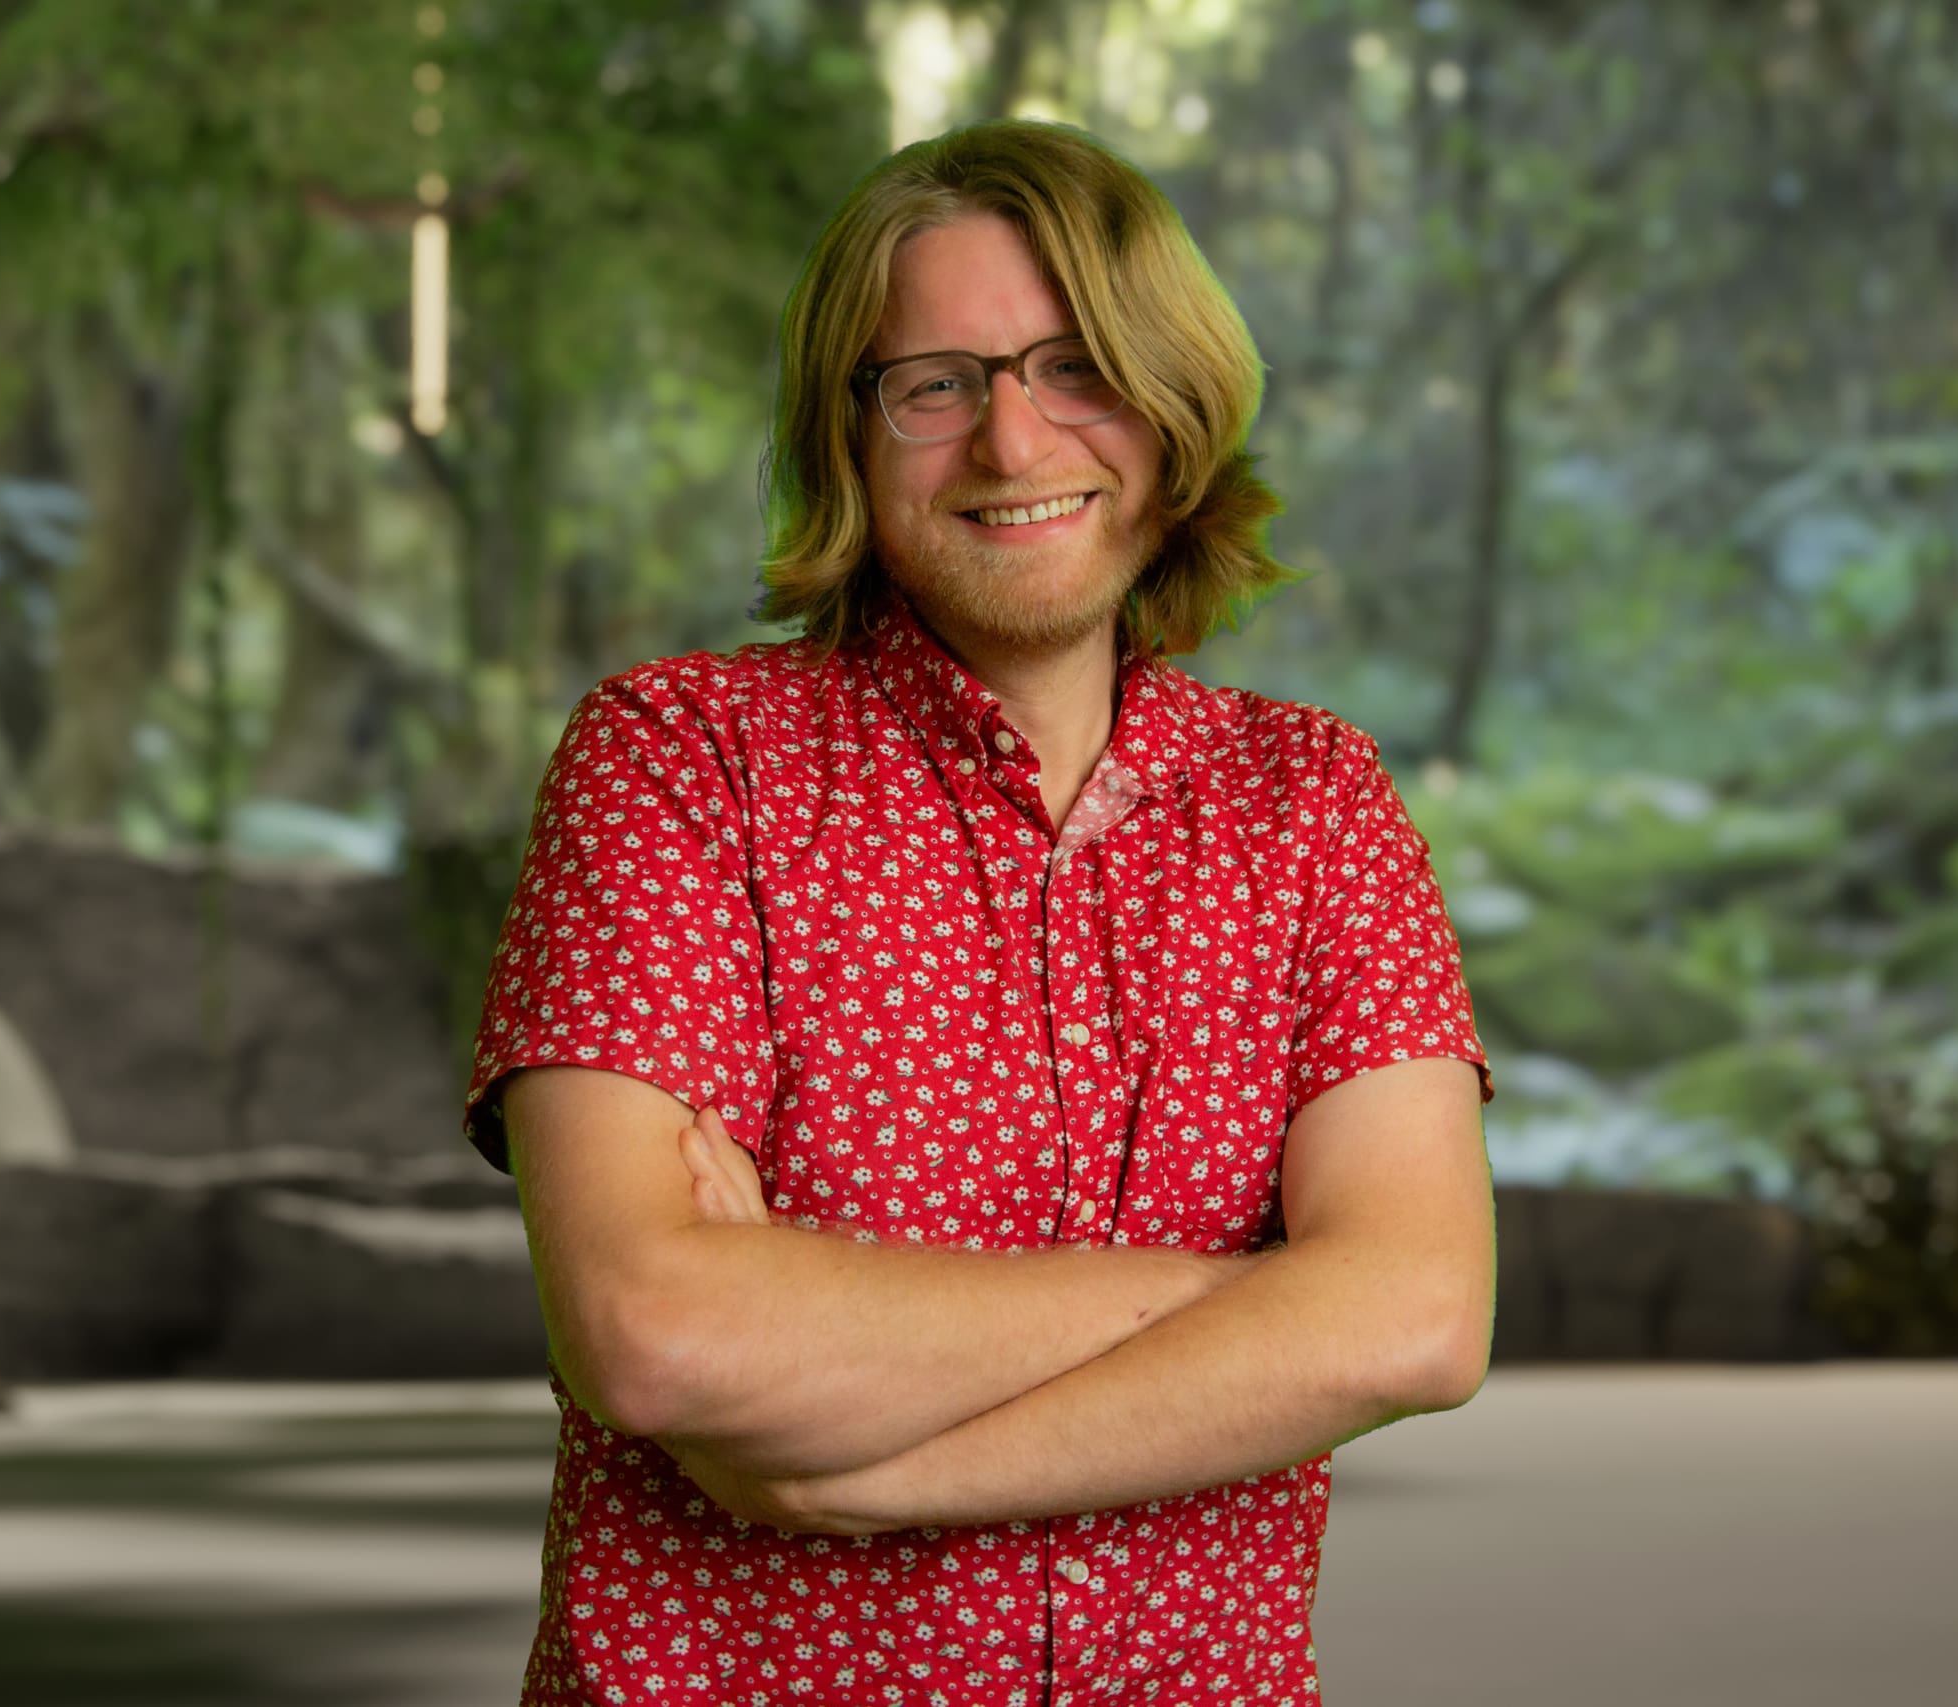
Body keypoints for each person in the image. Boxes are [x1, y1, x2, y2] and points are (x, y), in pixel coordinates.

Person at [462, 116, 1497, 1707]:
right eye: (935, 384)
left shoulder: (1317, 804)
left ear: (1174, 407)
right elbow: (656, 1330)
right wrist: (1270, 1303)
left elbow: (1420, 1319)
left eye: (1075, 366)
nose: (1015, 447)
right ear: (851, 433)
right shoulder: (676, 763)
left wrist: (851, 1476)